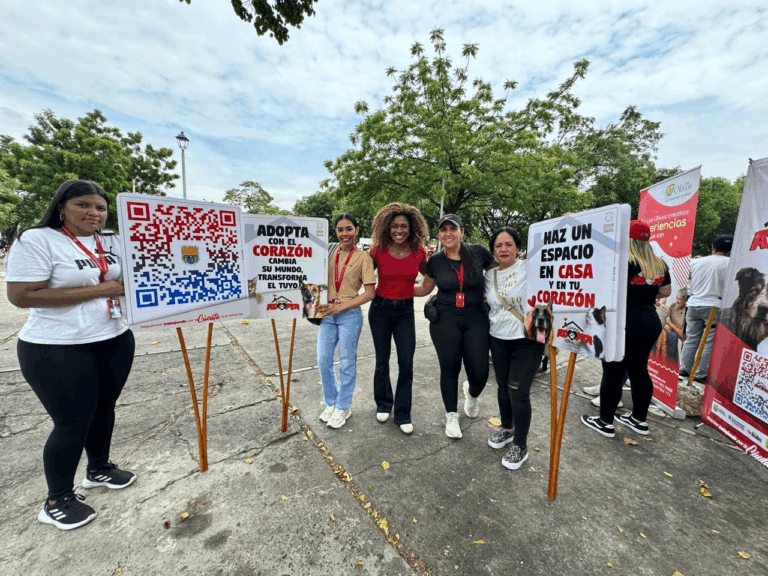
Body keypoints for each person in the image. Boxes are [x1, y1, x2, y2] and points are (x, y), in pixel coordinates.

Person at [6, 180, 136, 530]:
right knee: (72, 422)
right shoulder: (38, 239)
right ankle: (57, 499)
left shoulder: (111, 241)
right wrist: (99, 290)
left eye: (100, 207)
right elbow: (20, 296)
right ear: (62, 206)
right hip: (56, 346)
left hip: (114, 335)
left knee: (104, 408)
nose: (94, 213)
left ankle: (99, 468)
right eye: (84, 205)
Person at [582, 220, 671, 438]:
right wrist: (646, 293)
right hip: (649, 320)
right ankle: (639, 420)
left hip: (624, 321)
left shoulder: (622, 261)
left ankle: (605, 422)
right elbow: (666, 291)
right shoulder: (659, 263)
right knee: (640, 371)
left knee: (613, 371)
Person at [416, 214, 495, 438]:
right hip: (445, 319)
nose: (448, 233)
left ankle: (471, 394)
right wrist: (392, 288)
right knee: (449, 368)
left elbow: (500, 274)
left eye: (453, 228)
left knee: (479, 372)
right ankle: (451, 415)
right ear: (439, 235)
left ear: (462, 232)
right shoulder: (437, 261)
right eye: (443, 230)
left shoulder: (478, 252)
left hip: (476, 317)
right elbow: (424, 289)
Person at [484, 227, 544, 469]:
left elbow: (556, 259)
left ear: (518, 248)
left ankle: (520, 444)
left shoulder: (531, 268)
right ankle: (507, 429)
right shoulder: (489, 276)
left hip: (526, 340)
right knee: (501, 387)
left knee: (518, 392)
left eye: (509, 244)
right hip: (497, 338)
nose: (503, 249)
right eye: (498, 245)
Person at [367, 203, 429, 435]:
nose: (399, 230)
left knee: (406, 363)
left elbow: (429, 278)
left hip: (405, 312)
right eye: (394, 226)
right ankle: (384, 404)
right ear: (387, 227)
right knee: (382, 360)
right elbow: (361, 278)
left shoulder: (419, 252)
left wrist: (415, 290)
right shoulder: (376, 250)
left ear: (412, 228)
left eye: (404, 226)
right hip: (380, 309)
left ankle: (402, 413)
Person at [316, 213, 376, 429]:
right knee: (323, 360)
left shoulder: (364, 258)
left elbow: (370, 293)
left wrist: (340, 306)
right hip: (326, 314)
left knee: (347, 362)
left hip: (349, 315)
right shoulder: (328, 254)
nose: (344, 234)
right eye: (340, 230)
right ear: (336, 232)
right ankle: (331, 402)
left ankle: (344, 406)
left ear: (357, 230)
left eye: (349, 229)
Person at [678, 235, 733, 383]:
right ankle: (700, 373)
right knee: (709, 341)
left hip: (694, 304)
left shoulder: (695, 262)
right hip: (715, 306)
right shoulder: (731, 264)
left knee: (691, 338)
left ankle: (684, 369)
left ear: (713, 248)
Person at [665, 288, 687, 363]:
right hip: (670, 332)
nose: (677, 301)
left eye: (680, 299)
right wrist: (667, 325)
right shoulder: (673, 306)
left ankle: (671, 365)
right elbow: (667, 318)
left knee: (672, 336)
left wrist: (671, 324)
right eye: (677, 298)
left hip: (681, 338)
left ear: (685, 301)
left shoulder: (687, 313)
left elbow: (683, 335)